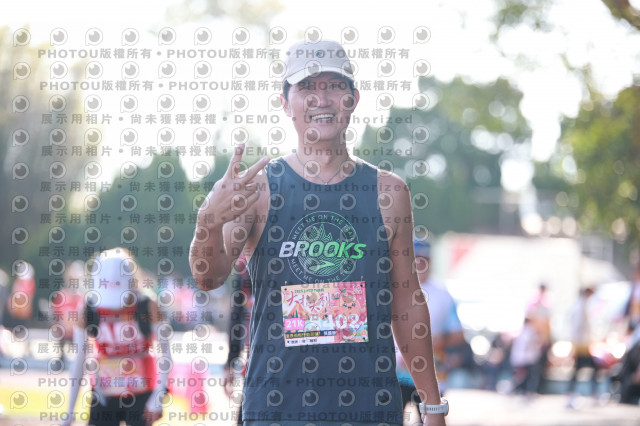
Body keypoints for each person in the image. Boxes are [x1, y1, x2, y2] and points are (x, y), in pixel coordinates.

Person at [190, 39, 447, 425]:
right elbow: (208, 278)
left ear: (353, 99)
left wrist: (432, 405)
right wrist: (207, 223)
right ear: (285, 103)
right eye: (307, 87)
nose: (321, 99)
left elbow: (407, 301)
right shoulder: (258, 189)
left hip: (370, 411)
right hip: (276, 411)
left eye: (334, 85)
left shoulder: (389, 193)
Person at [61, 248, 171, 426]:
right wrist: (69, 411)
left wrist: (157, 398)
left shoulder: (148, 305)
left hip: (141, 395)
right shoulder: (88, 309)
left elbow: (166, 354)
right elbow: (79, 359)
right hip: (104, 395)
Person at [396, 241, 465, 418]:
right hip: (396, 375)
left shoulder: (442, 293)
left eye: (424, 259)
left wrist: (437, 341)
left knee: (430, 420)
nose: (419, 263)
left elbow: (458, 334)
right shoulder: (393, 288)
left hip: (430, 377)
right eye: (415, 258)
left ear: (431, 260)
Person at [566, 286, 599, 408]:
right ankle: (589, 394)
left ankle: (575, 394)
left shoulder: (582, 305)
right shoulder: (580, 306)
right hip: (581, 345)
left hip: (582, 344)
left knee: (581, 370)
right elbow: (578, 327)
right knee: (583, 370)